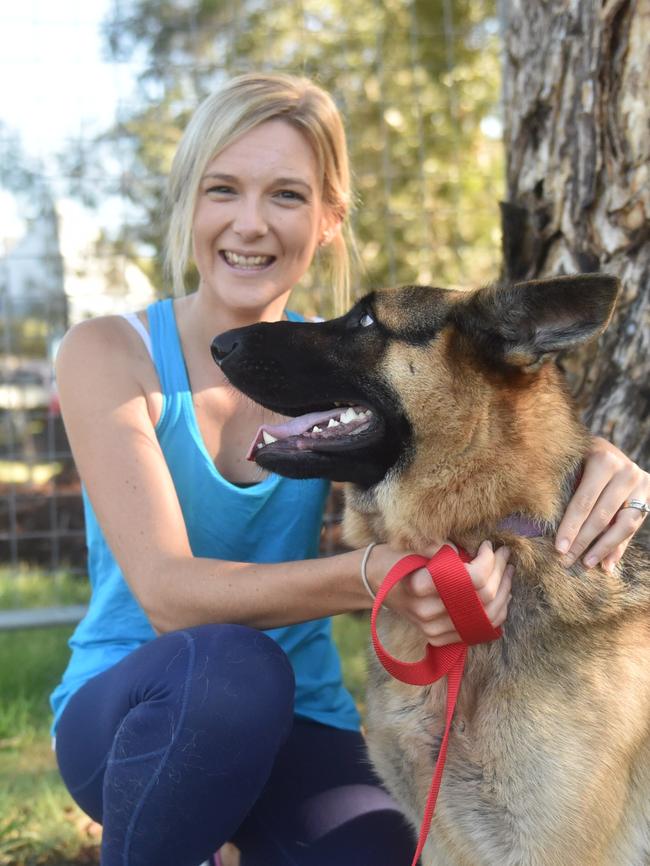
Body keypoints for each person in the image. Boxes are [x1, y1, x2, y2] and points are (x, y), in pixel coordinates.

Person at [51, 73, 649, 866]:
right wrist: (377, 573)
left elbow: (463, 430)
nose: (251, 223)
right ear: (190, 201)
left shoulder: (334, 374)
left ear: (330, 217)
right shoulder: (108, 352)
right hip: (138, 710)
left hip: (307, 723)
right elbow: (168, 595)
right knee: (232, 671)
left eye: (288, 196)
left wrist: (592, 462)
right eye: (223, 188)